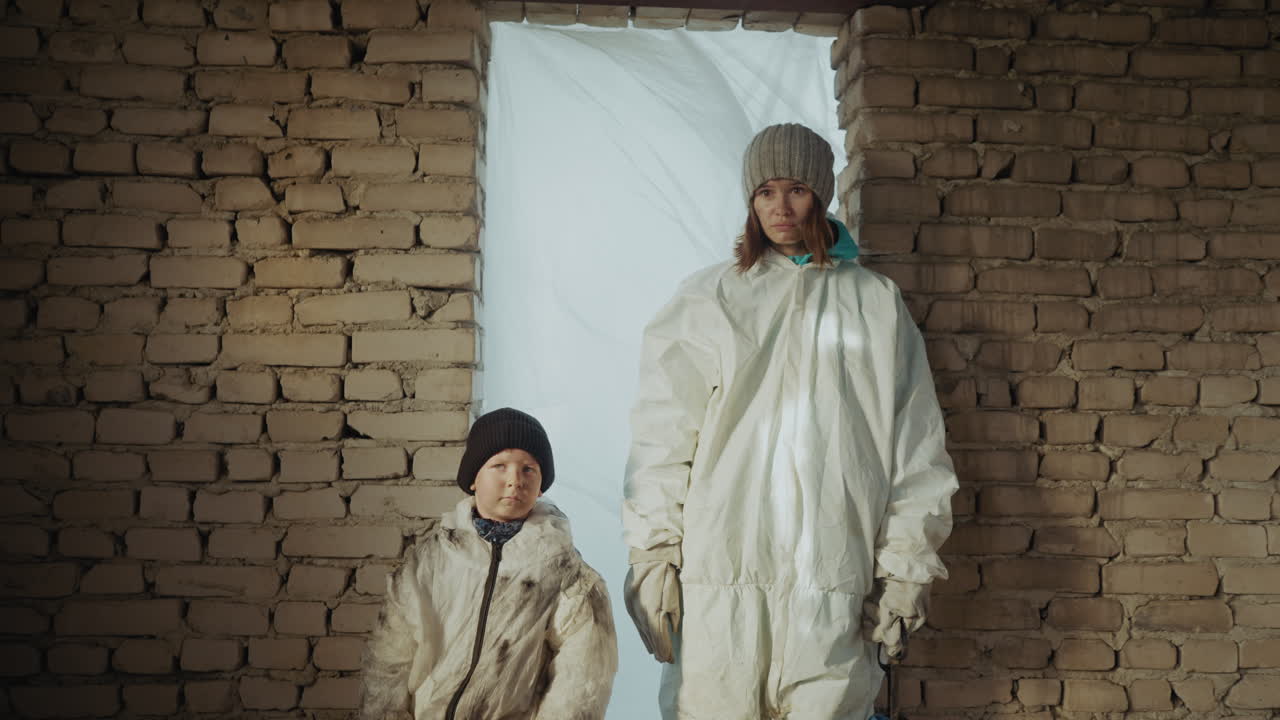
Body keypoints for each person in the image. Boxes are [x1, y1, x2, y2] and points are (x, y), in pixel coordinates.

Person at [622, 123, 958, 719]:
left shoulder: (875, 304)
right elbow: (662, 437)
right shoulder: (710, 301)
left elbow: (916, 451)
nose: (780, 208)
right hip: (718, 580)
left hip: (832, 578)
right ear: (750, 200)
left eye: (797, 189)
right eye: (766, 192)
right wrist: (653, 553)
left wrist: (905, 571)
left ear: (821, 196)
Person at [361, 407, 618, 720]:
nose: (515, 480)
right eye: (499, 465)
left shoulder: (568, 576)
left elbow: (582, 681)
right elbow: (389, 657)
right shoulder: (429, 563)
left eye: (528, 469)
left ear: (541, 485)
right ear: (473, 479)